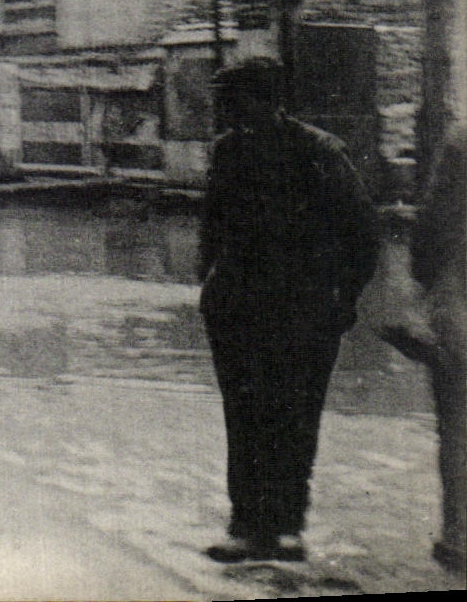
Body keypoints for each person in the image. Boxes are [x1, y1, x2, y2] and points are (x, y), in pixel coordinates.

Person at [197, 56, 381, 563]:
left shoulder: (320, 153)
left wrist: (343, 301)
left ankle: (287, 526)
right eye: (224, 103)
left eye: (234, 101)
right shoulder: (227, 152)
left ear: (267, 100)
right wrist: (208, 286)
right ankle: (245, 525)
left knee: (296, 417)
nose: (227, 113)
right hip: (237, 309)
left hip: (304, 311)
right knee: (245, 417)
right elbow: (211, 228)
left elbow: (364, 235)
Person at [406, 123, 466, 573]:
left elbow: (428, 231)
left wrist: (428, 289)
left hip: (460, 301)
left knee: (459, 429)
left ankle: (458, 537)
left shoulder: (463, 137)